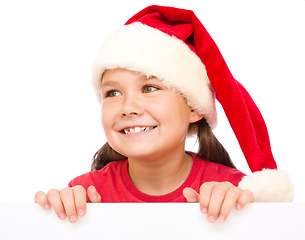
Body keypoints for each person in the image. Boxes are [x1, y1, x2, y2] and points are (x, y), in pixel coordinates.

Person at [34, 5, 294, 224]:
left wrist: (245, 215)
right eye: (112, 93)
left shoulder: (235, 194)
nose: (128, 107)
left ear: (193, 107)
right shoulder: (85, 196)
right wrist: (50, 219)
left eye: (149, 88)